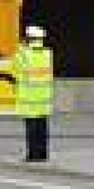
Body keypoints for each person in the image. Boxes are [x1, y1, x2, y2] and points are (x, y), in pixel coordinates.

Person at [14, 25, 54, 162]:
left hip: (29, 99)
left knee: (31, 129)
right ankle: (43, 154)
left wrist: (20, 48)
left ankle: (32, 154)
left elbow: (16, 69)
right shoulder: (48, 53)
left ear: (28, 38)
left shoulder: (24, 54)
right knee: (43, 127)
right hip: (44, 98)